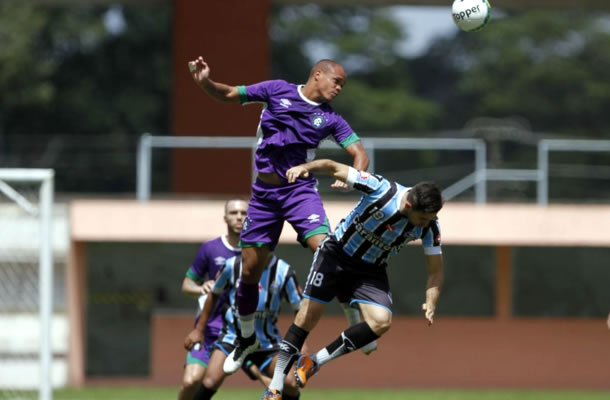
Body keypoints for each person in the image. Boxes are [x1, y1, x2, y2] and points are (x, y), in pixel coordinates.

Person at [187, 56, 370, 373]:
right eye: (336, 81)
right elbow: (229, 93)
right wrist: (205, 82)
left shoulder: (330, 119)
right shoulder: (276, 90)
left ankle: (354, 314)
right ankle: (246, 339)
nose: (339, 88)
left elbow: (359, 152)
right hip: (264, 196)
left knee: (327, 251)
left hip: (300, 193)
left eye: (343, 84)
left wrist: (353, 176)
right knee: (248, 274)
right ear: (317, 75)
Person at [263, 159, 444, 400]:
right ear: (409, 205)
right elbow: (333, 166)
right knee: (307, 316)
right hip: (335, 256)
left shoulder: (430, 228)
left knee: (381, 322)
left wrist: (431, 301)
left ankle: (314, 362)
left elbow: (436, 270)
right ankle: (274, 388)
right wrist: (305, 167)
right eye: (423, 218)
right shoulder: (380, 188)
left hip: (370, 270)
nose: (428, 223)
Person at [184, 252, 304, 400]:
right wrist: (199, 329)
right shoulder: (231, 265)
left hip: (267, 343)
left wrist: (300, 342)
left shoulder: (284, 271)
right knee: (210, 380)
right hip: (232, 338)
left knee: (291, 383)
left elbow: (299, 308)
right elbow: (214, 294)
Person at [177, 198, 247, 400]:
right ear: (225, 217)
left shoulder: (255, 251)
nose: (239, 217)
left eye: (243, 213)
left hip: (243, 332)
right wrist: (200, 288)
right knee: (191, 381)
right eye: (234, 213)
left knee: (271, 381)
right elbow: (186, 285)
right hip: (208, 330)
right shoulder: (210, 249)